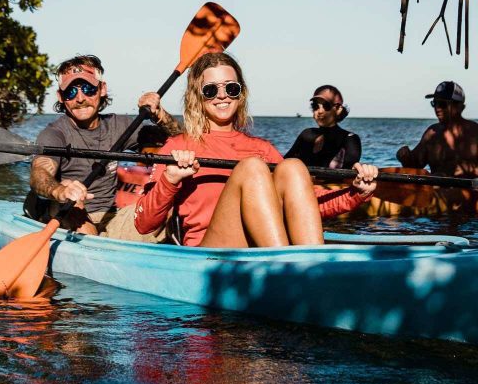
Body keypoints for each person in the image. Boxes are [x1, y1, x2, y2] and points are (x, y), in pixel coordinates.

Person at [134, 52, 378, 248]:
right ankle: (289, 271)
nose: (222, 96)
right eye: (210, 90)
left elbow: (307, 204)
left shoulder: (262, 149)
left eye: (231, 88)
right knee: (251, 167)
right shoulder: (177, 146)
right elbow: (144, 225)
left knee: (292, 167)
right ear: (197, 97)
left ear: (241, 93)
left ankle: (311, 270)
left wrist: (356, 193)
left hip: (261, 253)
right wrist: (170, 179)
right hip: (212, 256)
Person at [24, 54, 180, 238]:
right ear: (61, 97)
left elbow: (178, 140)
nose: (80, 98)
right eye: (71, 92)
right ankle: (90, 241)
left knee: (166, 210)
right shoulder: (54, 134)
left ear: (102, 89)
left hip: (110, 217)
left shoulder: (121, 126)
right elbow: (39, 174)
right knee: (72, 197)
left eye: (88, 89)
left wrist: (160, 115)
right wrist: (61, 191)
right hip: (65, 213)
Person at [396, 81, 478, 177]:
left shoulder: (474, 132)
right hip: (435, 190)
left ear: (460, 107)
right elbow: (415, 165)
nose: (437, 108)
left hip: (467, 190)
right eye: (435, 103)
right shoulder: (431, 133)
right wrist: (405, 157)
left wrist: (467, 170)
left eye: (442, 104)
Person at [285, 84, 362, 169]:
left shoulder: (350, 139)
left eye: (326, 106)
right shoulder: (306, 134)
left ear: (338, 109)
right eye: (315, 106)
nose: (320, 111)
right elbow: (285, 162)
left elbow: (350, 170)